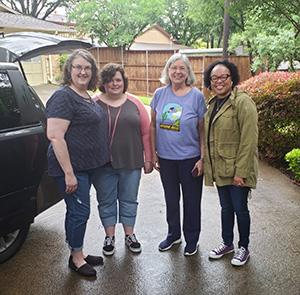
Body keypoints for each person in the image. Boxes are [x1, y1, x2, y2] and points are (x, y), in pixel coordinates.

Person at [46, 49, 110, 277]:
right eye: (78, 67)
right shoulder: (63, 96)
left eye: (87, 68)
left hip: (86, 167)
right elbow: (55, 136)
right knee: (80, 212)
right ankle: (76, 259)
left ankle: (78, 251)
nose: (83, 72)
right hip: (71, 169)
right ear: (69, 70)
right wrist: (69, 174)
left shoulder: (85, 96)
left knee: (76, 210)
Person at [91, 63, 152, 256]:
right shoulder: (93, 103)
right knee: (106, 201)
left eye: (118, 80)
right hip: (102, 164)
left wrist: (148, 158)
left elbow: (146, 132)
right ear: (103, 83)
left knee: (129, 200)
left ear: (123, 81)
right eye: (109, 80)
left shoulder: (135, 103)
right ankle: (109, 237)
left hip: (131, 162)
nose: (114, 84)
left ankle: (129, 235)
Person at [150, 53, 206, 256]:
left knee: (191, 202)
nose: (178, 72)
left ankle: (192, 239)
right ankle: (174, 235)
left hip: (190, 159)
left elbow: (202, 131)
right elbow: (153, 126)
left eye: (182, 68)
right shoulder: (159, 94)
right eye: (174, 68)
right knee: (171, 200)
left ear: (188, 72)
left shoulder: (197, 96)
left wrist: (202, 158)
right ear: (168, 71)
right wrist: (154, 154)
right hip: (166, 159)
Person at [203, 60, 258, 266]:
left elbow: (249, 140)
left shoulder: (243, 102)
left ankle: (244, 246)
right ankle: (228, 243)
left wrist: (241, 172)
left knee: (240, 209)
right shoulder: (213, 103)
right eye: (214, 78)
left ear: (232, 78)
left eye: (223, 77)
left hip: (237, 170)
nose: (218, 81)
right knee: (225, 208)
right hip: (220, 168)